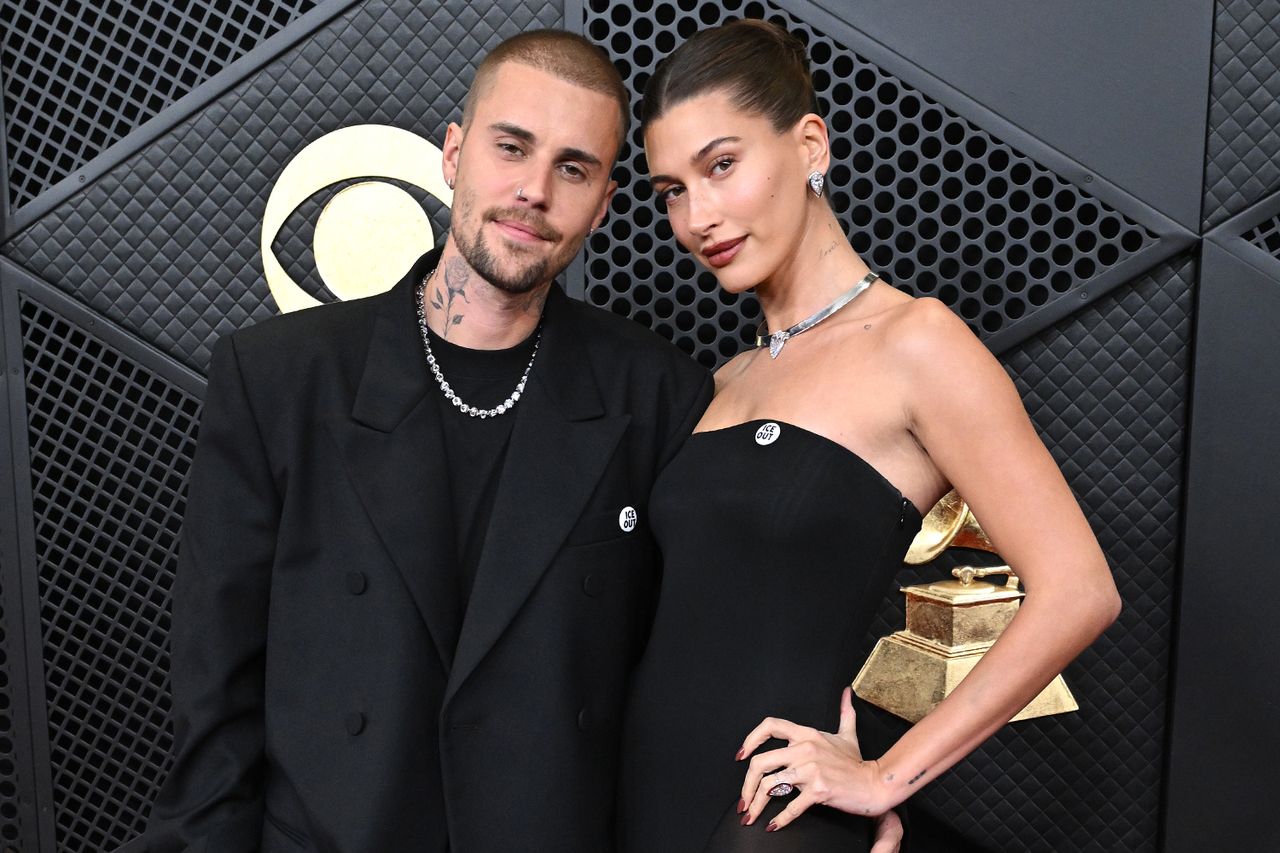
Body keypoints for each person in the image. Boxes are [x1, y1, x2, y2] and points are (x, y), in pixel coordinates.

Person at [142, 30, 718, 853]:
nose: (533, 192)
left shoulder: (658, 395)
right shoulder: (279, 380)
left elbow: (694, 669)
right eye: (510, 147)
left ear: (604, 202)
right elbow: (215, 691)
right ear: (453, 154)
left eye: (573, 168)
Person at [619, 19, 1122, 853]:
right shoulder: (724, 379)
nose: (695, 215)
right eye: (671, 189)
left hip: (763, 819)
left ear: (810, 144)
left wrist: (889, 775)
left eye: (722, 165)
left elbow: (1080, 589)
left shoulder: (915, 343)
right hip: (637, 800)